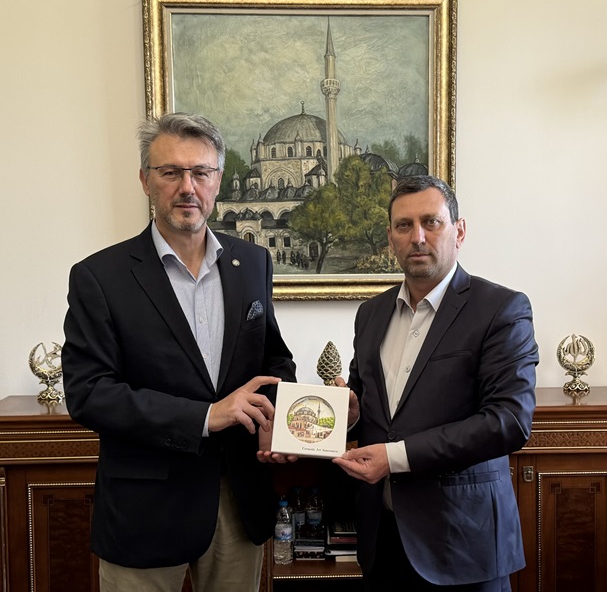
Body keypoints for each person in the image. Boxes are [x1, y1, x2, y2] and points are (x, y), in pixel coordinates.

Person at [62, 112, 297, 592]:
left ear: (218, 180)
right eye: (171, 172)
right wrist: (205, 417)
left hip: (237, 501)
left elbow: (273, 360)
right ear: (145, 180)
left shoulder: (253, 261)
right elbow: (89, 393)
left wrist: (278, 418)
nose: (187, 187)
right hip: (145, 512)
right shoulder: (100, 277)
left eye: (201, 172)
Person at [333, 175, 538, 592]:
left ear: (458, 231)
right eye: (404, 225)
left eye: (431, 222)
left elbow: (509, 421)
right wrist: (351, 415)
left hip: (463, 543)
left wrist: (396, 457)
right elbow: (371, 409)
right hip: (383, 539)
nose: (418, 237)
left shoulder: (501, 308)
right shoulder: (370, 314)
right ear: (390, 238)